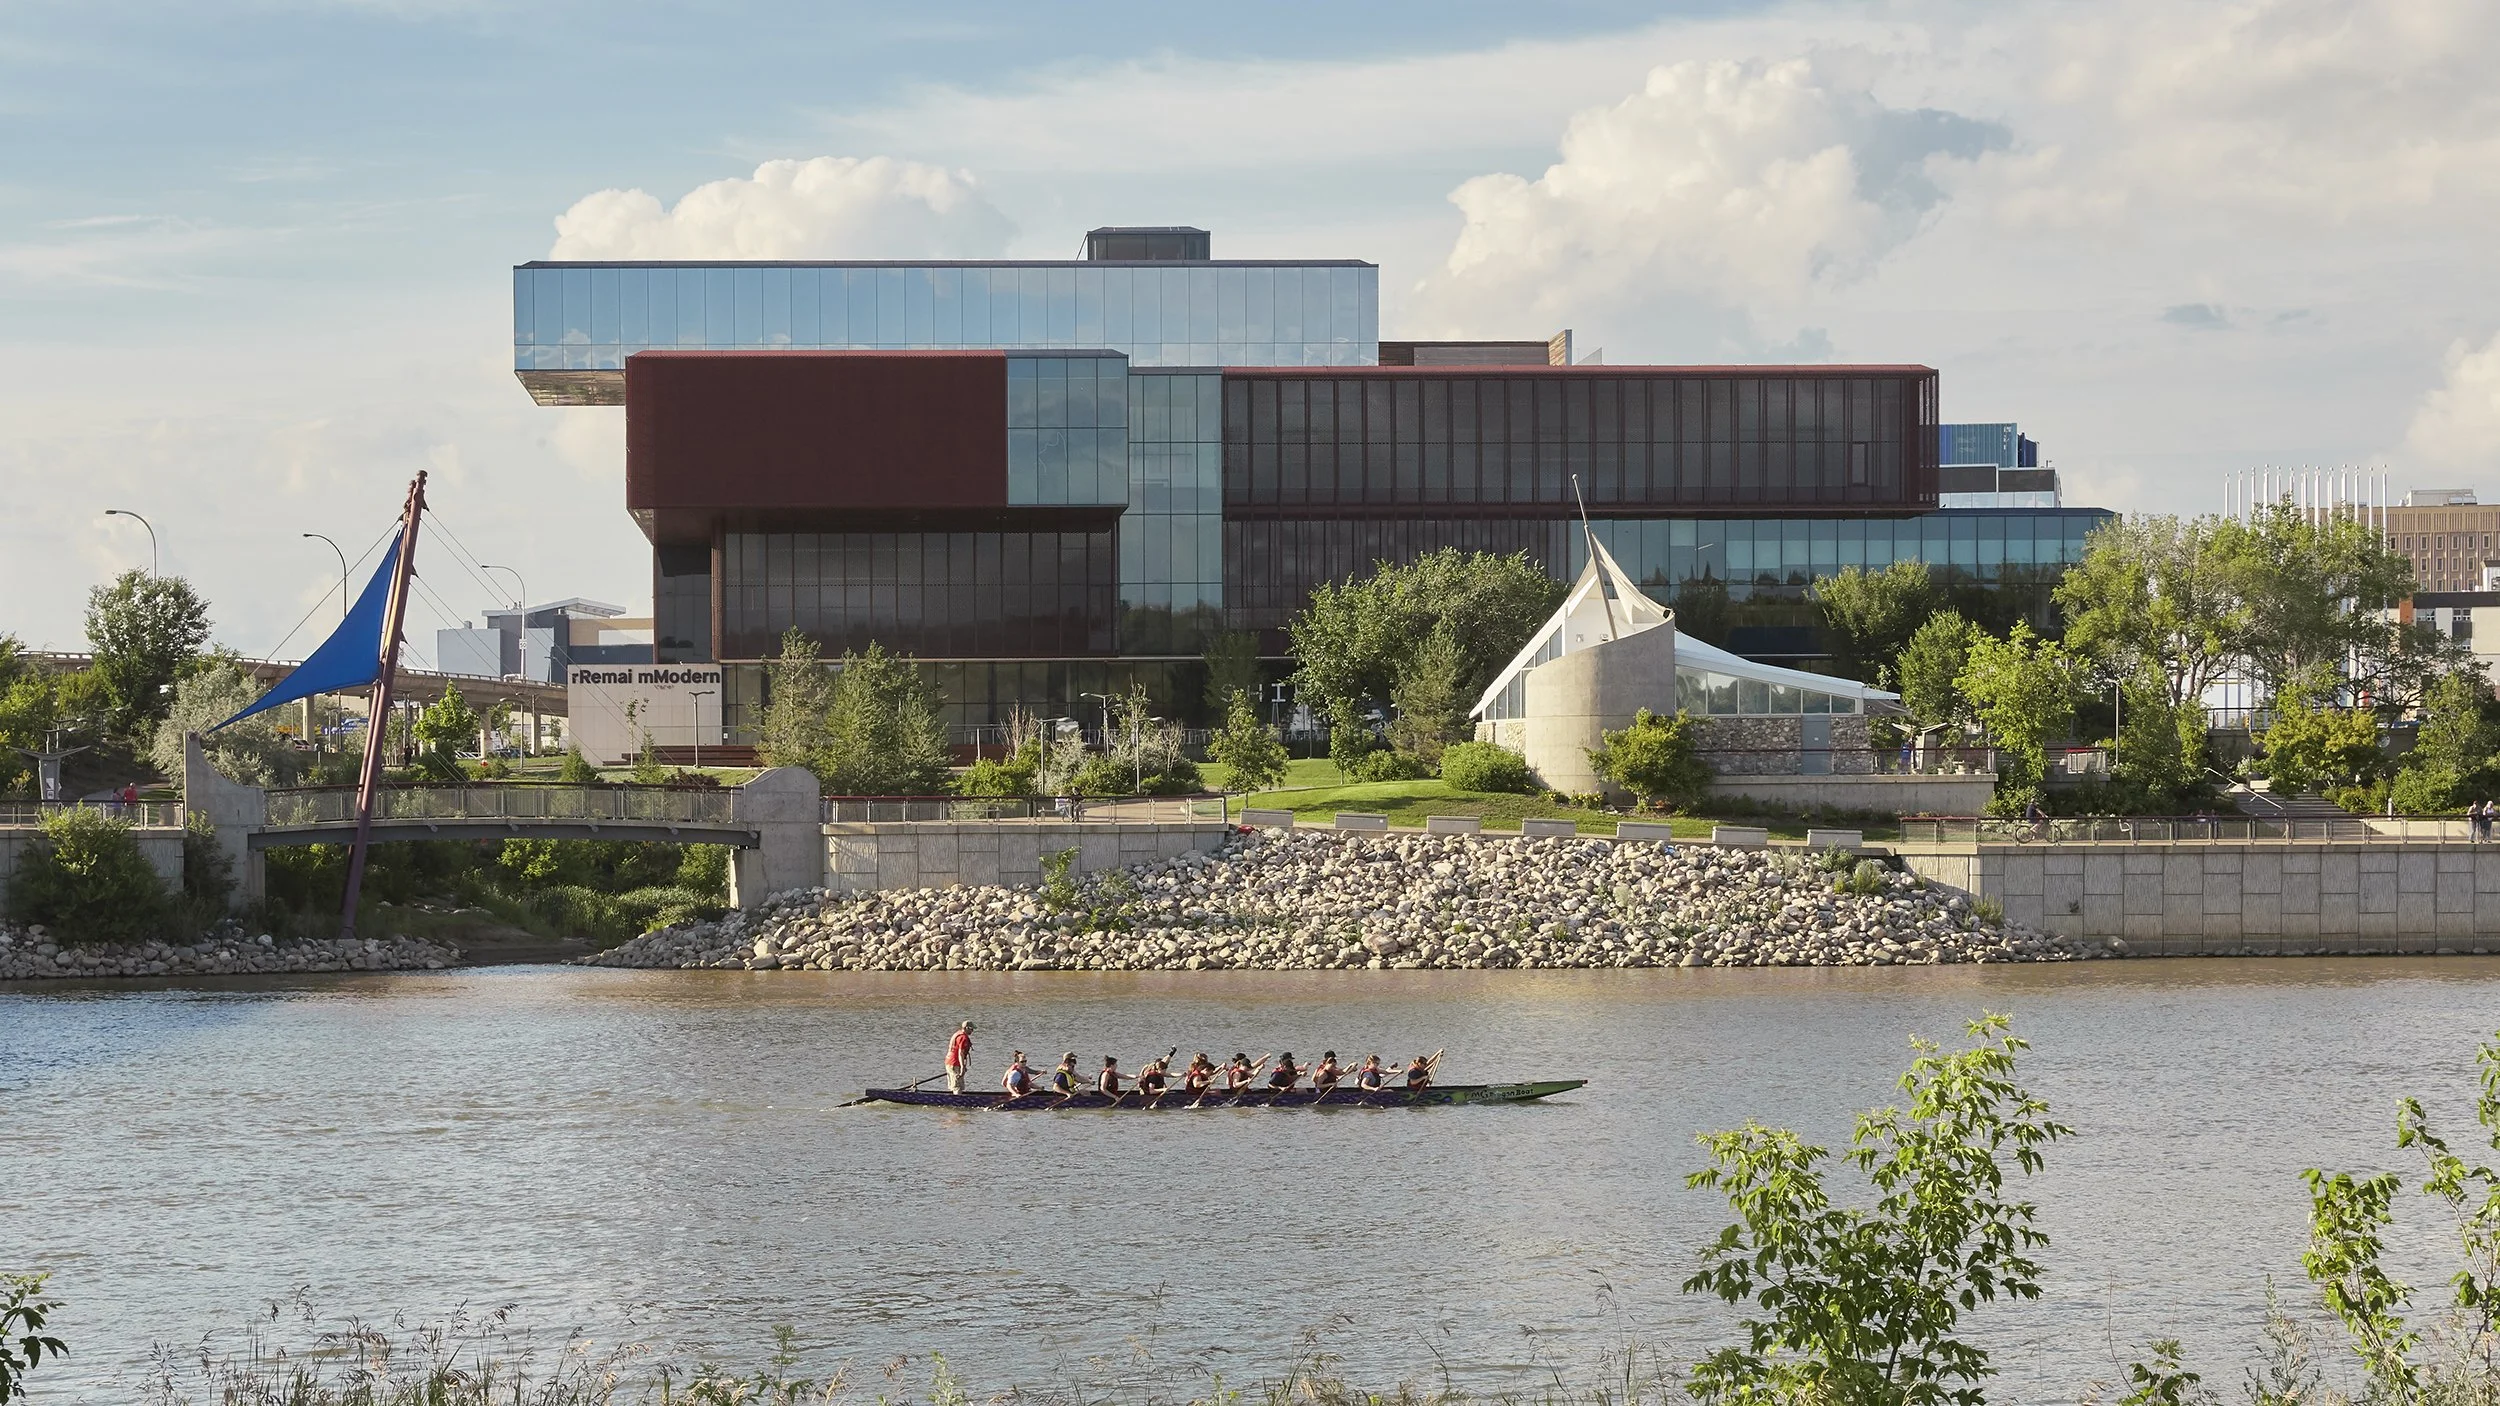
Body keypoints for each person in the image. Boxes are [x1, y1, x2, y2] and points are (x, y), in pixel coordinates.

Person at [944, 1020, 975, 1093]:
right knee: (958, 1086)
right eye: (971, 1029)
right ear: (966, 1028)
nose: (972, 1031)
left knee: (953, 1085)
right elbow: (960, 1053)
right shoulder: (963, 1038)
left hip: (949, 1062)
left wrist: (963, 1066)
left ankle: (952, 1099)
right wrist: (962, 1067)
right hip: (955, 1063)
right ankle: (958, 1101)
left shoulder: (957, 1034)